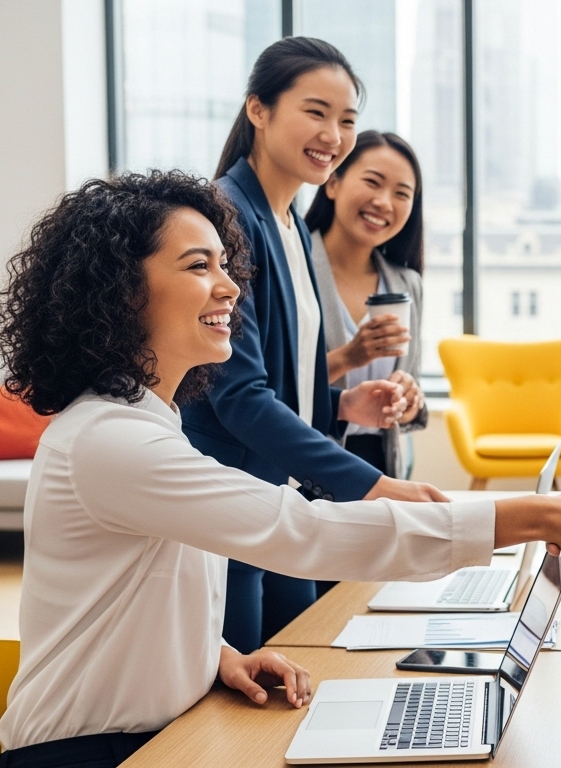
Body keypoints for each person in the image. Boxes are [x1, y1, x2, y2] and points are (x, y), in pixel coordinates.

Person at [0, 171, 561, 767]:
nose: (228, 286)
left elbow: (132, 594)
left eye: (225, 264)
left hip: (147, 732)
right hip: (85, 753)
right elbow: (305, 531)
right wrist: (540, 516)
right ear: (120, 291)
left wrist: (216, 659)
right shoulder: (112, 440)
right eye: (197, 266)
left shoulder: (146, 423)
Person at [181, 38, 434, 653]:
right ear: (258, 110)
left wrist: (344, 408)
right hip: (233, 499)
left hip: (279, 500)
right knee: (235, 712)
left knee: (306, 659)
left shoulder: (288, 222)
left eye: (347, 119)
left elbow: (278, 377)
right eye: (316, 112)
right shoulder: (227, 219)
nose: (334, 133)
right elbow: (238, 397)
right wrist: (374, 486)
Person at [305, 130, 425, 480]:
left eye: (402, 193)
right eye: (373, 182)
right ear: (332, 183)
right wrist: (349, 356)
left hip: (385, 467)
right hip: (310, 463)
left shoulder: (407, 284)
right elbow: (273, 386)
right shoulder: (295, 267)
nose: (385, 202)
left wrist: (408, 402)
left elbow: (413, 405)